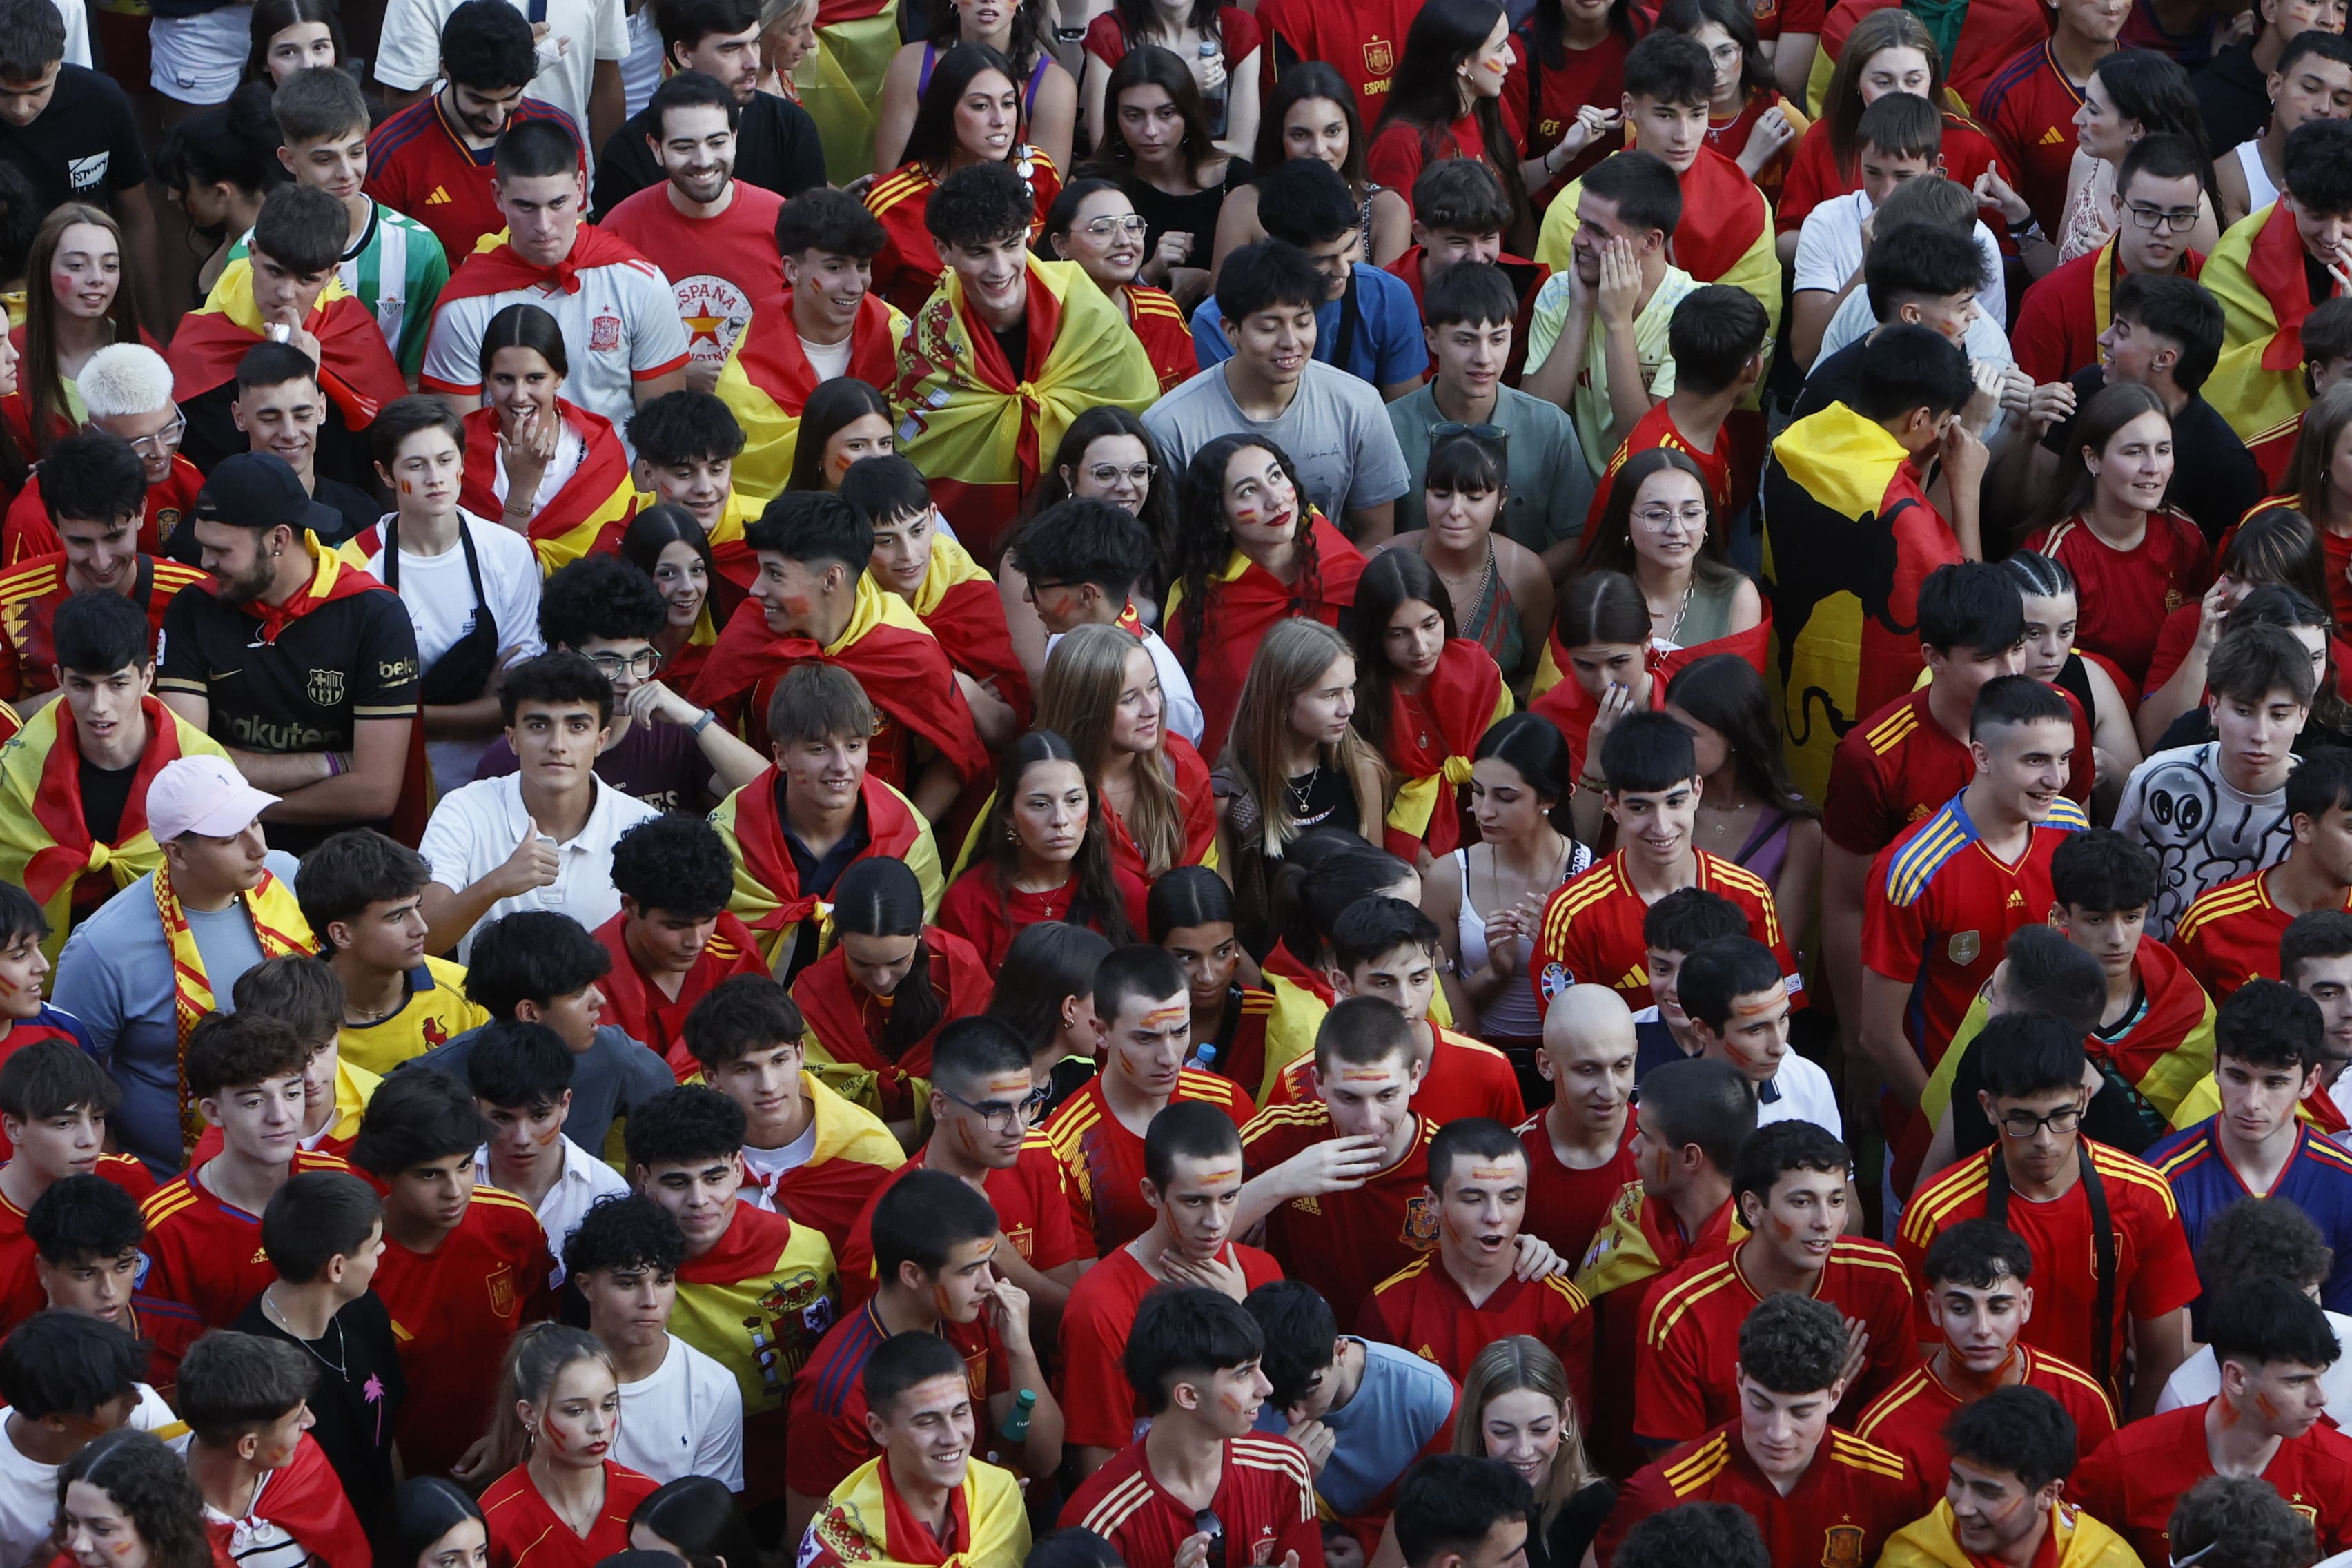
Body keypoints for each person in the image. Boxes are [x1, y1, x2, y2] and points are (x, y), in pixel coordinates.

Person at [1897, 1011, 2197, 1411]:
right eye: (2021, 1120)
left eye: (2060, 1117)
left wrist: (2125, 1454)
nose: (2044, 1142)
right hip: (1979, 1441)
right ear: (1989, 1108)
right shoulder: (1936, 1213)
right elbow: (1926, 1367)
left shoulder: (2144, 1197)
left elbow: (2162, 1358)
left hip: (2097, 1432)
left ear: (2084, 1099)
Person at [47, 753, 309, 1175]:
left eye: (256, 822)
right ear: (176, 852)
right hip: (170, 1185)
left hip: (307, 1159)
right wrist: (123, 1183)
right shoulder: (102, 947)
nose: (258, 847)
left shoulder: (285, 877)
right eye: (228, 838)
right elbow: (69, 1085)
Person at [155, 451, 420, 856]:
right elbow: (186, 766)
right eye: (203, 547)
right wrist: (332, 764)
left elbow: (376, 792)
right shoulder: (193, 607)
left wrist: (245, 808)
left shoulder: (375, 614)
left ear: (278, 539)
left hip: (346, 859)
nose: (205, 562)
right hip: (222, 852)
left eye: (222, 551)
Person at [1763, 324, 1986, 801]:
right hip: (1865, 727)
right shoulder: (1899, 512)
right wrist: (1966, 490)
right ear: (1921, 418)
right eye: (1944, 423)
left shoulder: (1797, 441)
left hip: (1784, 686)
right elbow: (1976, 615)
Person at [890, 164, 1155, 560]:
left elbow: (1138, 423)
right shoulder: (931, 338)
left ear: (1030, 237)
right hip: (971, 555)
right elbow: (916, 448)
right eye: (979, 252)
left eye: (1011, 245)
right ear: (943, 251)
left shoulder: (1089, 314)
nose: (999, 269)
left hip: (1096, 547)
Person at [1856, 677, 2092, 1121]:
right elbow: (1880, 1034)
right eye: (2036, 760)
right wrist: (1951, 1125)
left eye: (2065, 759)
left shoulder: (2070, 827)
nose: (2056, 778)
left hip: (2044, 1116)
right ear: (1981, 756)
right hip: (1941, 1116)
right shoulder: (1915, 870)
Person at [785, 1168, 1061, 1531]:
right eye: (970, 1271)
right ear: (913, 1275)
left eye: (988, 1263)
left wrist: (1020, 1347)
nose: (989, 1283)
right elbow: (818, 1539)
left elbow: (1044, 1459)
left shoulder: (974, 1316)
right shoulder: (836, 1389)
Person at [690, 491, 986, 818]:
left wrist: (903, 836)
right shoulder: (751, 628)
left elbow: (958, 755)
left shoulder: (905, 646)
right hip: (764, 828)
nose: (755, 588)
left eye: (775, 573)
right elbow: (698, 739)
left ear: (831, 578)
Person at [1634, 1119, 1911, 1449]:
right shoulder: (1679, 1309)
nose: (1825, 1222)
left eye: (1836, 1201)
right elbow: (1671, 1464)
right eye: (1802, 1202)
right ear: (1752, 1208)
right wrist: (1809, 1403)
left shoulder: (1881, 1277)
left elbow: (1899, 1429)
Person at [623, 1085, 839, 1509]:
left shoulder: (807, 1253)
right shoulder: (624, 1272)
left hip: (799, 1480)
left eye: (714, 1177)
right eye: (677, 1182)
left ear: (739, 1169)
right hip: (672, 1487)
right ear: (643, 1179)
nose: (699, 1201)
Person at [1593, 1292, 1923, 1567]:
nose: (1778, 1433)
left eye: (1801, 1411)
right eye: (1761, 1404)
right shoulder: (1661, 1496)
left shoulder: (1890, 1486)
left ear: (1835, 1395)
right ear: (1739, 1380)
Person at [421, 119, 688, 444]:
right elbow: (462, 444)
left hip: (619, 490)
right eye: (526, 206)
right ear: (498, 196)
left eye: (557, 204)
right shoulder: (464, 305)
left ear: (580, 188)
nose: (544, 226)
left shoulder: (640, 284)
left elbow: (662, 434)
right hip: (505, 491)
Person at [347, 1067, 552, 1484]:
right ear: (385, 1172)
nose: (455, 1190)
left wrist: (510, 1438)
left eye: (463, 1166)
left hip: (511, 1468)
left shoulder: (513, 1225)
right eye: (429, 1174)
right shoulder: (351, 1261)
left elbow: (544, 1344)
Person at [1057, 1100, 1284, 1476]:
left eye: (1229, 1197)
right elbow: (1099, 1467)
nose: (1215, 1222)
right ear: (1151, 1193)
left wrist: (1243, 1312)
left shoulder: (1260, 1271)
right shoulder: (1100, 1305)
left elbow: (1285, 1403)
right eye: (1194, 1201)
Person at [1144, 242, 1412, 550]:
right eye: (1269, 327)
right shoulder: (1170, 426)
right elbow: (1167, 547)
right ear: (1230, 331)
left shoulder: (1359, 405)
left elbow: (1375, 535)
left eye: (1302, 322)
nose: (1290, 342)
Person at [341, 395, 546, 798]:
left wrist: (407, 712)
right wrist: (478, 707)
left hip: (498, 779)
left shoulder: (508, 551)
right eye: (415, 466)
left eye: (445, 460)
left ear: (463, 463)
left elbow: (519, 699)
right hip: (399, 784)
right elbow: (349, 708)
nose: (435, 477)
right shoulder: (351, 567)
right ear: (385, 475)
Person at [1530, 712, 1796, 1020]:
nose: (1662, 827)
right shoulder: (1573, 912)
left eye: (1675, 802)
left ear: (1697, 792)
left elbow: (1775, 1016)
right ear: (1612, 806)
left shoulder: (1749, 895)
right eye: (1640, 807)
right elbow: (1568, 1035)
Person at [0, 585, 221, 952]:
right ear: (58, 678)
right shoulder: (18, 767)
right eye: (81, 685)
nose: (99, 706)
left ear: (148, 677)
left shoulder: (203, 767)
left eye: (118, 684)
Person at [2072, 1275, 2352, 1559]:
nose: (2321, 1398)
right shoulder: (2125, 1462)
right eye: (2296, 1381)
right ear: (2236, 1377)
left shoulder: (2342, 1468)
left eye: (2319, 1377)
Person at [834, 1016, 1090, 1319]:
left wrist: (1000, 1251)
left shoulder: (1038, 1156)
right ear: (940, 1105)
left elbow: (1069, 1318)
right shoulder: (885, 1233)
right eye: (995, 1111)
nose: (1018, 1128)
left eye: (1027, 1104)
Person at [415, 653, 660, 962]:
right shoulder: (463, 809)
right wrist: (496, 883)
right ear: (512, 739)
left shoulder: (644, 825)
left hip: (608, 1009)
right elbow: (422, 939)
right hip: (488, 1011)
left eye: (577, 726)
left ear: (601, 740)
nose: (557, 744)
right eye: (539, 725)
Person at [706, 665, 945, 981]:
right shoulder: (727, 833)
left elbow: (922, 951)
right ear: (781, 756)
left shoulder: (908, 836)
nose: (841, 766)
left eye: (854, 746)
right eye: (819, 749)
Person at [484, 552, 765, 816]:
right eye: (609, 661)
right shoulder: (512, 757)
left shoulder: (677, 731)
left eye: (641, 659)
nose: (629, 679)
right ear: (566, 654)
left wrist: (697, 721)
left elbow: (772, 800)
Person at [1059, 1286, 1319, 1562]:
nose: (1266, 1388)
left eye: (1259, 1366)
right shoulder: (1096, 1522)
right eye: (1243, 1375)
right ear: (1188, 1396)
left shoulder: (1285, 1468)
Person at [167, 186, 408, 484]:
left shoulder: (350, 328)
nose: (285, 294)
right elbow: (210, 470)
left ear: (332, 274)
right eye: (275, 271)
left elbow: (385, 449)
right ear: (253, 253)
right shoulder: (203, 341)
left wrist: (310, 380)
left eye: (307, 279)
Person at [136, 1012, 353, 1339]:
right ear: (213, 1112)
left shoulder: (339, 1184)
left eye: (292, 1094)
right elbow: (163, 1353)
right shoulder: (165, 1226)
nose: (280, 1117)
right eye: (254, 1101)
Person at [1854, 1218, 2118, 1484]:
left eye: (1999, 1308)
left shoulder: (2082, 1401)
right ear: (1934, 1309)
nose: (1982, 1328)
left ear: (2026, 1305)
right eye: (1961, 1309)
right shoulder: (1883, 1431)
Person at [1163, 440, 1371, 765]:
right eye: (1248, 491)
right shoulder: (1197, 604)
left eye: (1276, 477)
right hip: (1250, 778)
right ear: (1219, 517)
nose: (1275, 500)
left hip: (1349, 765)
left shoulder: (1344, 565)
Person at [2150, 979, 2352, 1309]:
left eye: (2275, 1082)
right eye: (2238, 1077)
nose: (2252, 1102)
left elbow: (2347, 1337)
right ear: (2215, 1066)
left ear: (2310, 1081)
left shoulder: (2346, 1185)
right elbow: (2162, 1351)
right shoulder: (2160, 1182)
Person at [228, 1171, 402, 1543]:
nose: (383, 1251)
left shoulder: (365, 1309)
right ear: (337, 1267)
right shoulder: (250, 1360)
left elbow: (388, 1433)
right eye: (374, 1246)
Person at [1358, 1115, 1593, 1391]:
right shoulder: (1389, 1307)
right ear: (1432, 1202)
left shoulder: (1562, 1306)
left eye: (1510, 1198)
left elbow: (1569, 1426)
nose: (1494, 1216)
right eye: (1473, 1199)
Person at [1046, 943, 1253, 1252]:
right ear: (1101, 1032)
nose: (1169, 1057)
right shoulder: (1066, 1146)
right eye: (1146, 1038)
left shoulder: (1227, 1102)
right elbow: (1082, 1289)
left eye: (1181, 1032)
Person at [2119, 625, 2317, 945]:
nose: (2260, 734)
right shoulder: (2158, 779)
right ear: (2214, 708)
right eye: (2243, 711)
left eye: (2279, 715)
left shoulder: (2321, 803)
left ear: (2303, 716)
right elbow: (2114, 885)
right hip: (2161, 973)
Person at [1386, 264, 1590, 573]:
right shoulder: (1389, 426)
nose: (1484, 358)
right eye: (1465, 341)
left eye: (1497, 339)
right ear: (1432, 339)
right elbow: (1372, 536)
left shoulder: (1548, 426)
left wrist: (1518, 584)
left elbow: (1578, 536)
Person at [680, 973, 902, 1250]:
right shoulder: (681, 1150)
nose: (768, 1086)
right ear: (711, 1077)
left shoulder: (871, 1155)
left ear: (800, 1054)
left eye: (779, 1060)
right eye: (745, 1069)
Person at [598, 73, 785, 395]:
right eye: (684, 147)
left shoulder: (781, 220)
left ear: (735, 138)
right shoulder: (620, 230)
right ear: (655, 149)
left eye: (717, 143)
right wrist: (675, 372)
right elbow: (599, 346)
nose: (703, 161)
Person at [712, 192, 903, 504]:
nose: (855, 286)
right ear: (791, 270)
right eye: (835, 268)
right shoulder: (745, 381)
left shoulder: (901, 341)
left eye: (863, 266)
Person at [2019, 382, 2212, 691]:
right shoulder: (2054, 552)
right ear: (2092, 459)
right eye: (2134, 452)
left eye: (2163, 450)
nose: (2153, 468)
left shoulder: (2185, 535)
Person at [1787, 94, 2000, 371]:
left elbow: (1987, 350)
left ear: (1936, 167)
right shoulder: (1826, 221)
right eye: (1873, 173)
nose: (1886, 192)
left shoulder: (1976, 237)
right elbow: (1805, 354)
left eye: (1903, 177)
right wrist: (1869, 266)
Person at [362, 0, 585, 262]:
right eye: (479, 101)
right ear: (445, 70)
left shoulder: (558, 132)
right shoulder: (390, 155)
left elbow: (576, 241)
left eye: (511, 98)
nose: (496, 117)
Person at [1522, 153, 1699, 482]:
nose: (1578, 239)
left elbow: (1648, 451)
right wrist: (1579, 311)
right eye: (1580, 222)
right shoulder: (1561, 292)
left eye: (1598, 231)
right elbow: (1533, 423)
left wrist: (1618, 324)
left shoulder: (1693, 313)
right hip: (1567, 500)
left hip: (1647, 502)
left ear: (1651, 241)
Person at [1244, 1279, 1461, 1545]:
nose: (1294, 1417)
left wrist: (1371, 1550)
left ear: (1341, 1350)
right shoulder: (1237, 1402)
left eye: (1309, 1392)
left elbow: (1457, 1519)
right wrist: (1283, 1483)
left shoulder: (1431, 1400)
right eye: (1275, 1400)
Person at [267, 66, 450, 383]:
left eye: (356, 152)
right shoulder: (254, 253)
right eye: (324, 160)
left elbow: (419, 380)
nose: (346, 172)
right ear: (288, 159)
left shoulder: (420, 250)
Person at [1191, 156, 1422, 398]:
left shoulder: (1389, 297)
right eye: (1321, 261)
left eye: (1350, 248)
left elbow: (1402, 414)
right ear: (1278, 247)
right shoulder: (1216, 322)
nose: (1343, 269)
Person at [800, 1331, 1034, 1568]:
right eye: (927, 1422)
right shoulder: (836, 1550)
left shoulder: (999, 1496)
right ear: (879, 1429)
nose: (953, 1437)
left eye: (960, 1413)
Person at [864, 45, 1064, 317]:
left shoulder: (1037, 170)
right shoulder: (891, 204)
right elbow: (864, 303)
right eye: (981, 106)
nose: (1000, 120)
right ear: (945, 111)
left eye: (1008, 103)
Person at [842, 455, 1030, 744]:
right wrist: (942, 683)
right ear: (854, 537)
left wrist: (964, 690)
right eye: (885, 541)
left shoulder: (965, 586)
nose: (909, 554)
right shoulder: (842, 599)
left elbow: (1010, 728)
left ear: (932, 518)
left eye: (917, 531)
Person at [562, 1192, 744, 1490]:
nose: (650, 1302)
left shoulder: (713, 1388)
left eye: (663, 1281)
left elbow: (706, 1518)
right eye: (629, 1283)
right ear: (586, 1287)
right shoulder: (545, 1378)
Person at [0, 0, 159, 331]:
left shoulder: (100, 101)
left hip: (85, 296)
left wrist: (149, 324)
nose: (20, 108)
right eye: (3, 93)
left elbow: (136, 218)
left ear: (59, 63)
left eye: (36, 91)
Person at [2012, 133, 2213, 386]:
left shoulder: (2214, 286)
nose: (2164, 231)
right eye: (2148, 213)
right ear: (2117, 207)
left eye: (2180, 217)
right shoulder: (2052, 301)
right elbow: (2028, 417)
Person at [938, 731, 1150, 970]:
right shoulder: (969, 903)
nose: (1061, 819)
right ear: (1008, 814)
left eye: (1073, 801)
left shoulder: (1126, 892)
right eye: (1040, 804)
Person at [2205, 120, 2352, 460]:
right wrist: (2336, 328)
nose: (2333, 236)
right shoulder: (2235, 256)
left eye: (2347, 217)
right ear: (2287, 197)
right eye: (2317, 216)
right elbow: (2217, 375)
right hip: (2264, 452)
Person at [592, 0, 825, 215]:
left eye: (754, 42)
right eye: (731, 49)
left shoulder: (791, 127)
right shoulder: (627, 154)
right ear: (684, 54)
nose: (752, 62)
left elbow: (814, 241)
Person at [288, 831, 485, 1081]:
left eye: (417, 907)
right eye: (397, 917)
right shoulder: (290, 1015)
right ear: (341, 934)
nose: (421, 928)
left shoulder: (465, 991)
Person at [1008, 491, 1202, 745]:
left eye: (1035, 586)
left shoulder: (1166, 696)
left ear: (1088, 595)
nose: (1025, 597)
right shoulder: (1065, 639)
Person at [1877, 1386, 2139, 1568]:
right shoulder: (1909, 1559)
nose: (1963, 1507)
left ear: (2048, 1494)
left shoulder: (2106, 1559)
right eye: (1957, 1480)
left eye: (1987, 1492)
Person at [371, 0, 626, 184]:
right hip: (451, 190)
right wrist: (494, 68)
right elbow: (404, 102)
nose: (496, 116)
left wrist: (609, 184)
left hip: (561, 186)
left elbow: (605, 78)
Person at [591, 814, 766, 1079]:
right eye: (675, 926)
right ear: (629, 906)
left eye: (708, 920)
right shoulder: (584, 979)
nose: (696, 941)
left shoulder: (736, 953)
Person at [176, 1329, 369, 1566]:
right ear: (248, 1446)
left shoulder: (304, 1464)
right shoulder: (154, 1507)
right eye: (296, 1419)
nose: (310, 1421)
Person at [475, 1325, 663, 1567]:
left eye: (608, 1406)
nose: (599, 1425)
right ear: (529, 1414)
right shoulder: (494, 1520)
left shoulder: (648, 1501)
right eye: (575, 1411)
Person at [3, 344, 203, 570]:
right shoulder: (35, 520)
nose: (159, 452)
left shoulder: (183, 475)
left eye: (169, 430)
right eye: (138, 443)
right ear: (90, 433)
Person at [468, 1021, 630, 1282]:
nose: (522, 1138)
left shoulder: (607, 1192)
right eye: (503, 1119)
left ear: (565, 1104)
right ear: (476, 1108)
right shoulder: (452, 1186)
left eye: (539, 1116)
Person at [1081, 50, 1246, 307]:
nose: (1151, 131)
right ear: (1115, 118)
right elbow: (1076, 294)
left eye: (1166, 114)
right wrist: (1147, 275)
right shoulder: (1091, 187)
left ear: (1188, 113)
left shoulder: (1237, 181)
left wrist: (1208, 281)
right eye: (1133, 116)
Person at [1572, 447, 1763, 663]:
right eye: (1656, 515)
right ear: (1625, 522)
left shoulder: (1737, 597)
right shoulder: (1592, 597)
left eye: (1691, 513)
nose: (1676, 529)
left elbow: (1740, 693)